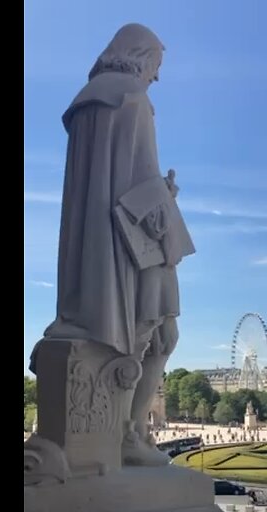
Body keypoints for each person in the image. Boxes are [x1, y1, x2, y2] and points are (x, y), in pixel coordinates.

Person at [38, 23, 193, 467]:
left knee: (158, 334)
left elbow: (108, 180)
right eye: (157, 65)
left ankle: (131, 431)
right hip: (135, 245)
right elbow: (141, 185)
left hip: (95, 247)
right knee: (161, 334)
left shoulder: (89, 102)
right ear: (139, 56)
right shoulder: (133, 99)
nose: (157, 77)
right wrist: (166, 203)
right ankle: (130, 432)